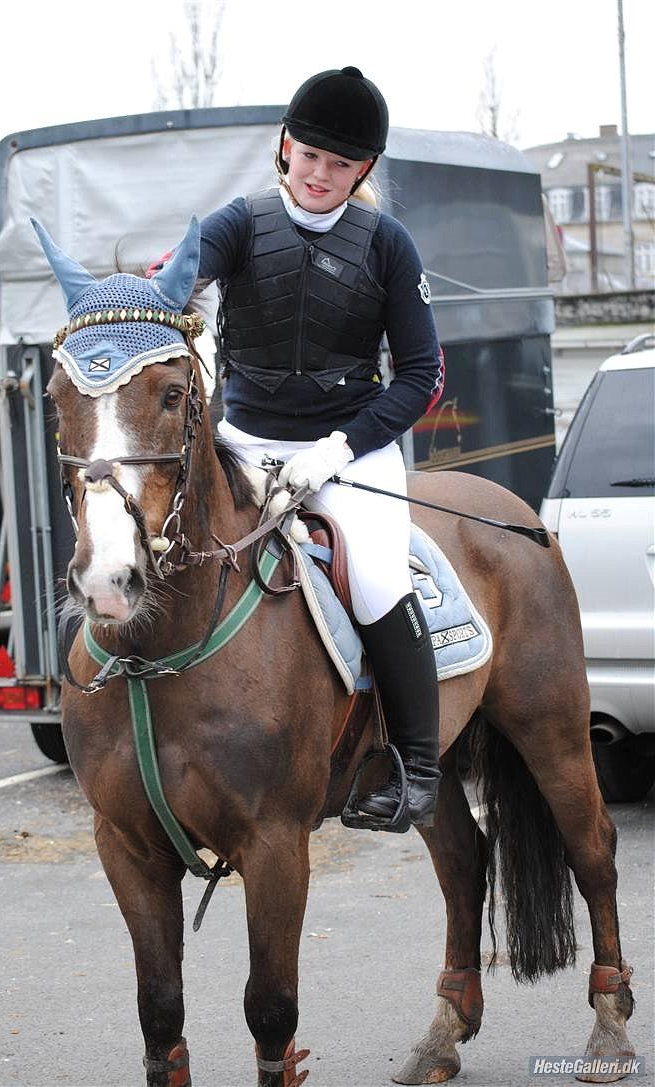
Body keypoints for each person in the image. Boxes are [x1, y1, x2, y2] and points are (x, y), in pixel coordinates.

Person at [154, 66, 445, 827]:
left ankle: (418, 767)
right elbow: (172, 280)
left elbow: (423, 375)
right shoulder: (239, 223)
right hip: (244, 443)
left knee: (376, 578)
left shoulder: (388, 244)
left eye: (340, 164)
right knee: (159, 541)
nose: (319, 175)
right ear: (286, 147)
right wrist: (167, 307)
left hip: (349, 451)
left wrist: (339, 449)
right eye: (309, 155)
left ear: (364, 169)